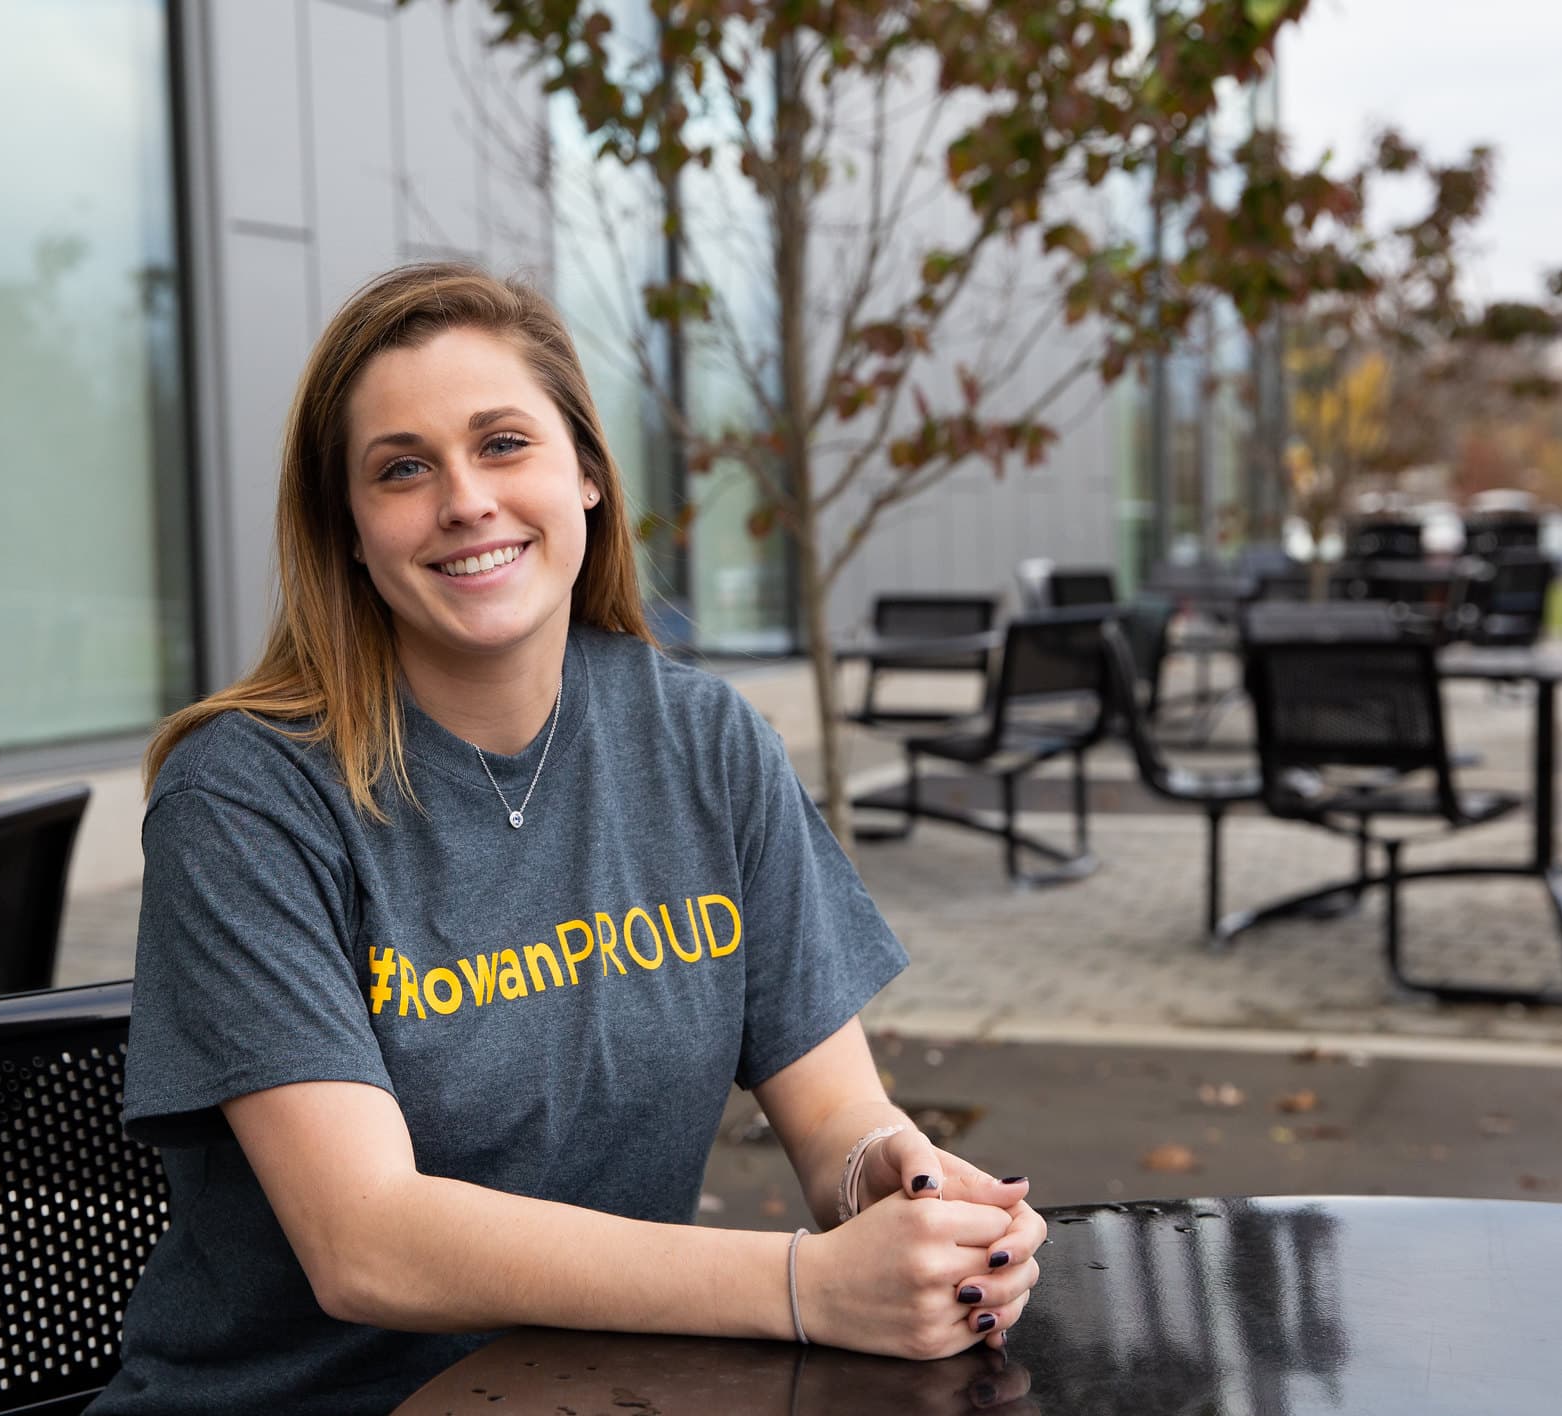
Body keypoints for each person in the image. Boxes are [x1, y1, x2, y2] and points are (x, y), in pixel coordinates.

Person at [90, 263, 1045, 1414]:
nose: (464, 500)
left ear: (585, 474)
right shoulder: (245, 797)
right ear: (347, 532)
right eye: (402, 468)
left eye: (503, 443)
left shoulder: (705, 744)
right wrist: (801, 1285)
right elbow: (366, 1242)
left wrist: (902, 1190)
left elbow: (840, 1115)